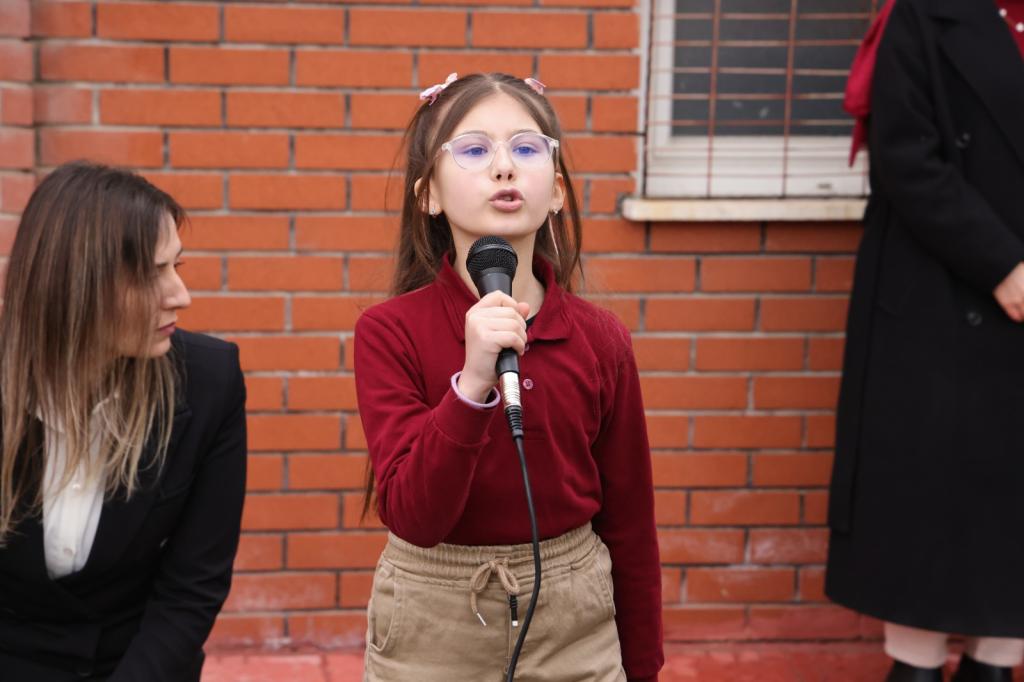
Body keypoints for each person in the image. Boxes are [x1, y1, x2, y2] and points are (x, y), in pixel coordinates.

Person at [353, 73, 663, 681]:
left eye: (526, 147)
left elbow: (630, 522)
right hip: (433, 622)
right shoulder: (389, 332)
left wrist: (644, 666)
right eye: (474, 149)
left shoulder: (601, 339)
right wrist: (472, 385)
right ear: (429, 195)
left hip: (575, 619)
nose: (504, 167)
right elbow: (414, 515)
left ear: (557, 191)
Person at [827, 1, 1024, 680]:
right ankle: (914, 665)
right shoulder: (922, 12)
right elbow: (906, 157)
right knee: (924, 497)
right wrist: (1002, 265)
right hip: (933, 292)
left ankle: (996, 664)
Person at [0, 162, 248, 681]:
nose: (180, 295)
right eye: (151, 273)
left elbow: (191, 589)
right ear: (74, 285)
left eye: (176, 265)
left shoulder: (207, 383)